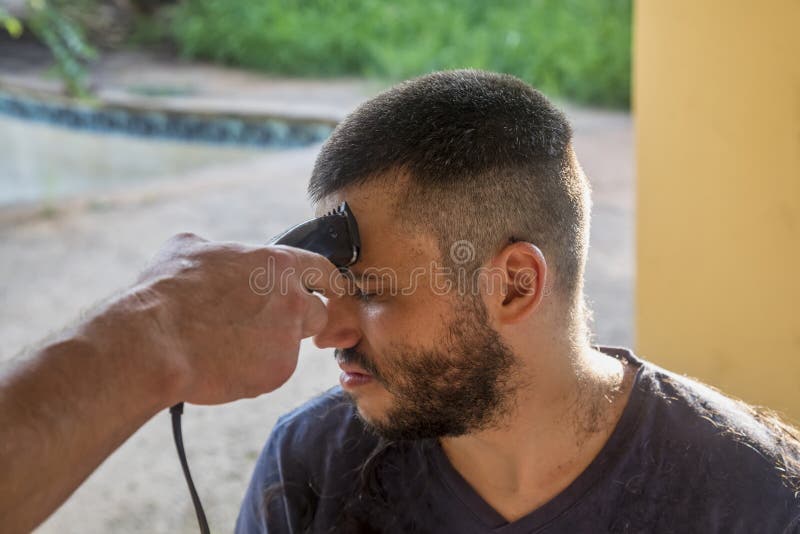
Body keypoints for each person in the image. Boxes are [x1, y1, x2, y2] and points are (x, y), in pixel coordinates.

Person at [235, 70, 800, 533]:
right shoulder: (310, 465)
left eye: (370, 291)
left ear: (515, 286)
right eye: (330, 288)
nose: (327, 332)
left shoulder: (751, 499)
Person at [0, 234, 344, 533]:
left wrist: (161, 323)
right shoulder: (302, 447)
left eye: (375, 293)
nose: (328, 336)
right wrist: (162, 325)